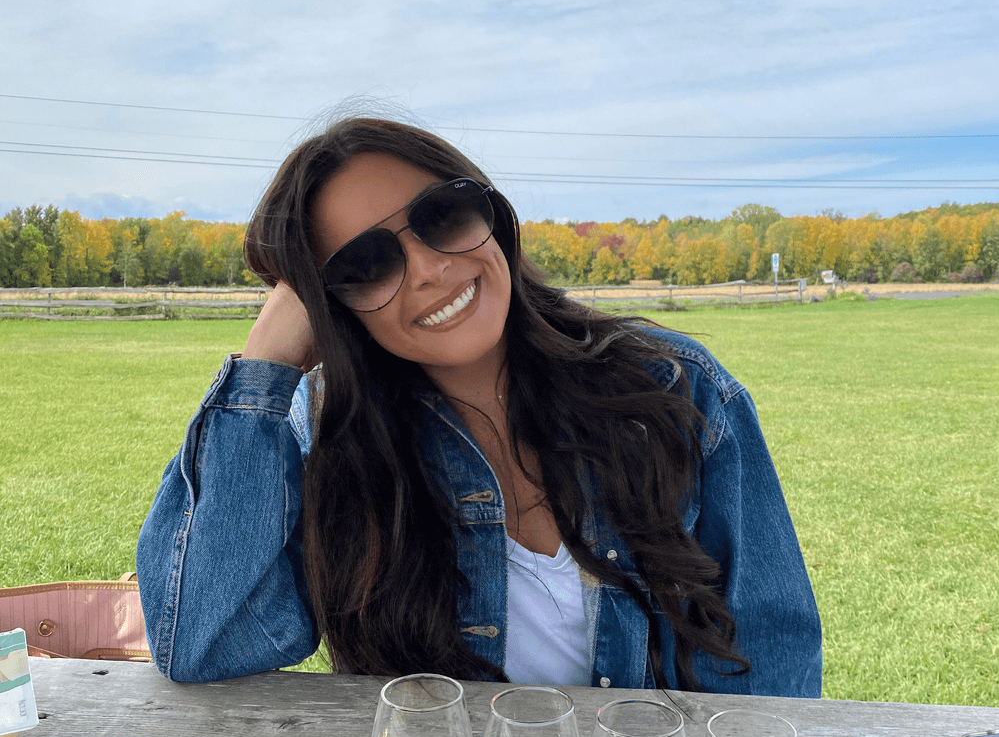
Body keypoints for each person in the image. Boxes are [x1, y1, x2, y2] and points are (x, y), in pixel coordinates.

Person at [137, 116, 822, 694]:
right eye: (365, 265)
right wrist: (264, 369)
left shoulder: (677, 392)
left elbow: (772, 674)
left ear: (490, 215)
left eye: (442, 216)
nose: (429, 268)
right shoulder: (328, 440)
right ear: (333, 308)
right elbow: (200, 640)